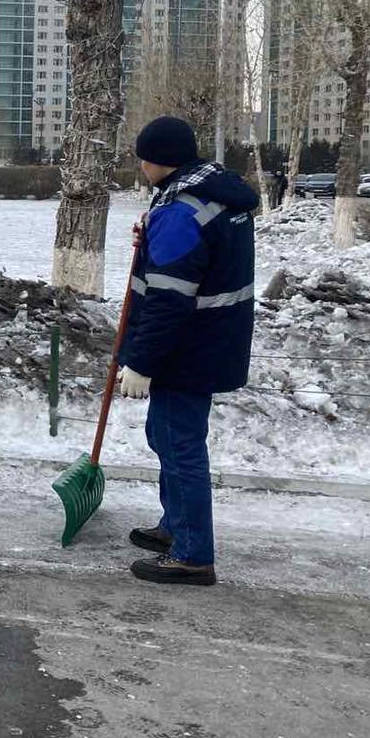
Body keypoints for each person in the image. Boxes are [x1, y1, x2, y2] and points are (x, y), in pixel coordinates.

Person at [118, 116, 257, 587]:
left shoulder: (182, 212)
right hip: (211, 340)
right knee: (166, 435)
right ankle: (176, 526)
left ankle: (193, 555)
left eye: (144, 157)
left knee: (179, 447)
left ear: (161, 160)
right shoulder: (209, 193)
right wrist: (152, 238)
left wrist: (141, 362)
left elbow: (168, 300)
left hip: (187, 347)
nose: (141, 165)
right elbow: (203, 255)